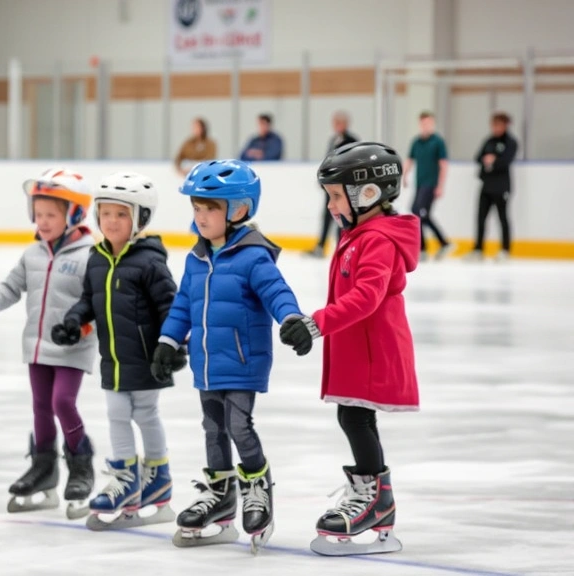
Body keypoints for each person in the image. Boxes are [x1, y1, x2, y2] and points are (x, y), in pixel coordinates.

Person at [153, 159, 302, 552]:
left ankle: (257, 486)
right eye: (197, 208)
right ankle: (220, 493)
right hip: (206, 361)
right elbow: (183, 304)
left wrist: (291, 318)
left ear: (239, 209)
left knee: (239, 426)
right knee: (212, 428)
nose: (201, 217)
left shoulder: (253, 256)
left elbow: (277, 292)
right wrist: (168, 342)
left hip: (241, 359)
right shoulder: (196, 257)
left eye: (210, 209)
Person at [280, 141, 420, 557]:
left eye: (336, 196)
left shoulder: (377, 240)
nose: (330, 206)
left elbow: (367, 297)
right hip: (358, 348)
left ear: (369, 193)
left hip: (374, 350)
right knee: (354, 417)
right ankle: (375, 498)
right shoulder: (360, 235)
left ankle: (374, 500)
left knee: (356, 419)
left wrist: (315, 323)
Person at [0, 167, 97, 519]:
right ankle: (44, 468)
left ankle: (81, 464)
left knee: (62, 402)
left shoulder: (88, 256)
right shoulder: (33, 254)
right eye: (38, 213)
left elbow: (98, 305)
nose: (43, 221)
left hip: (71, 348)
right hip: (36, 346)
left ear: (74, 213)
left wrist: (82, 330)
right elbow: (10, 288)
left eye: (51, 214)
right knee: (40, 407)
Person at [51, 171, 178, 531]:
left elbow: (171, 305)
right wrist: (74, 321)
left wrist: (171, 344)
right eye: (105, 213)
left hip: (147, 356)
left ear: (140, 219)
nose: (111, 221)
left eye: (121, 214)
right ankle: (129, 476)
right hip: (114, 359)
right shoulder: (97, 258)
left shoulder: (150, 261)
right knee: (118, 413)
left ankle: (156, 475)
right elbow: (89, 300)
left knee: (145, 414)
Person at [307, 111, 358, 257]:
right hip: (331, 185)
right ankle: (321, 246)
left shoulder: (352, 140)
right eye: (335, 123)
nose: (336, 126)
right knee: (327, 214)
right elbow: (329, 160)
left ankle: (343, 246)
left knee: (343, 216)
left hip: (343, 186)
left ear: (345, 124)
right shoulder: (333, 140)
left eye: (338, 123)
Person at [469, 112, 519, 262]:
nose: (495, 128)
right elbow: (478, 157)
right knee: (481, 217)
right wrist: (485, 159)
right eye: (493, 125)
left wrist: (494, 160)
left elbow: (506, 161)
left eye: (498, 125)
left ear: (505, 125)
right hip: (486, 185)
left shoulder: (511, 142)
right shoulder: (489, 140)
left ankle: (505, 249)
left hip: (501, 186)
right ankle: (478, 249)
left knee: (502, 217)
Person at [402, 111, 451, 260]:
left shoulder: (438, 142)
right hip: (420, 182)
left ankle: (423, 247)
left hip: (431, 184)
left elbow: (443, 165)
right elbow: (410, 159)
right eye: (423, 124)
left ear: (433, 124)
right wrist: (404, 175)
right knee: (422, 214)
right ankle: (442, 243)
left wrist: (441, 186)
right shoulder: (416, 142)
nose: (426, 126)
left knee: (417, 212)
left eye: (429, 123)